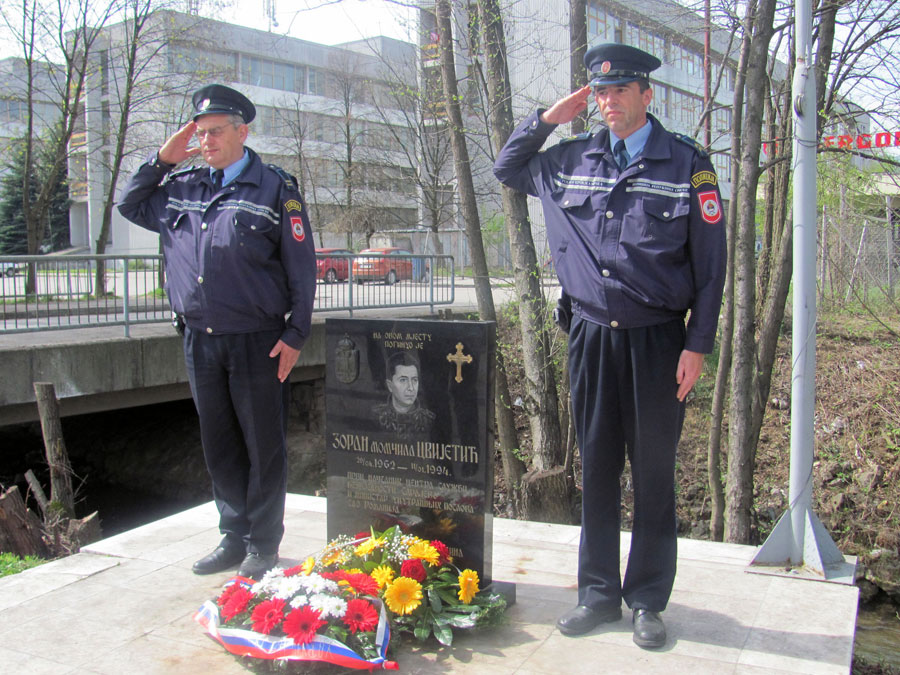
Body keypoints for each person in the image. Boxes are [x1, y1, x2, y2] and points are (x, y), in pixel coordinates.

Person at [494, 43, 726, 648]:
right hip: (591, 337)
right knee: (595, 468)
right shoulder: (570, 158)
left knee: (653, 474)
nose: (609, 101)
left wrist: (697, 344)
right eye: (600, 93)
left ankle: (647, 598)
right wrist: (550, 117)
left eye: (620, 90)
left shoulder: (688, 166)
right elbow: (506, 166)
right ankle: (597, 593)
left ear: (647, 95)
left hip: (657, 341)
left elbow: (710, 267)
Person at [118, 84, 316, 580]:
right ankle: (233, 536)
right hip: (200, 338)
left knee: (262, 446)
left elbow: (301, 267)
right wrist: (162, 159)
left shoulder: (275, 188)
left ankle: (264, 544)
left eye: (214, 132)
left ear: (242, 131)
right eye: (198, 133)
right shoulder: (181, 186)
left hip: (259, 339)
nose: (204, 141)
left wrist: (296, 334)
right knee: (219, 442)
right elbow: (129, 204)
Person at [373, 351, 435, 437]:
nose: (411, 388)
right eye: (403, 380)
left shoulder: (429, 420)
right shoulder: (376, 416)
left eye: (414, 380)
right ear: (390, 386)